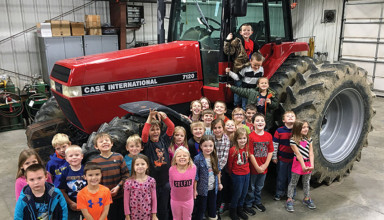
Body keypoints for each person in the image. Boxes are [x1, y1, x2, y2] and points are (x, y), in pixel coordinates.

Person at [142, 109, 175, 220]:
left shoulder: (164, 141)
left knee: (164, 207)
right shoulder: (147, 144)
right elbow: (145, 134)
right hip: (153, 183)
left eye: (157, 129)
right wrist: (150, 118)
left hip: (165, 182)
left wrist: (164, 116)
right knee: (153, 208)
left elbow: (171, 127)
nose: (155, 132)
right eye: (153, 130)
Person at [91, 132, 129, 220]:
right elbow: (94, 181)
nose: (104, 142)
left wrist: (118, 186)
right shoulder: (95, 162)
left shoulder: (119, 157)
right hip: (104, 199)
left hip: (120, 196)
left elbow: (126, 174)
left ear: (112, 143)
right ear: (96, 147)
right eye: (101, 141)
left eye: (107, 140)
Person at [224, 23, 260, 108]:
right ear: (240, 32)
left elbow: (256, 56)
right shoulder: (237, 41)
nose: (246, 32)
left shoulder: (253, 43)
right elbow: (229, 51)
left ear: (252, 32)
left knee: (246, 90)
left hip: (249, 71)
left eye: (248, 30)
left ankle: (245, 107)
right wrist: (227, 40)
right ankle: (236, 106)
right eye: (244, 30)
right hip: (239, 70)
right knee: (238, 88)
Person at [245, 113, 273, 214]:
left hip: (264, 167)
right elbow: (250, 153)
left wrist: (265, 165)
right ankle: (248, 204)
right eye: (257, 120)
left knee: (260, 186)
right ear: (253, 123)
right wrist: (257, 167)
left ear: (265, 123)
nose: (260, 122)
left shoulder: (268, 136)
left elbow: (270, 151)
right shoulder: (251, 137)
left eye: (262, 120)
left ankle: (257, 202)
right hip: (253, 168)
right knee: (251, 187)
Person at [286, 120, 316, 212]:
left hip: (307, 163)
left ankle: (307, 198)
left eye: (307, 127)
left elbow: (311, 153)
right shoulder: (293, 140)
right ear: (297, 128)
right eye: (303, 127)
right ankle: (289, 199)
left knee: (306, 182)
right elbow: (298, 155)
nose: (306, 129)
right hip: (298, 163)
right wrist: (303, 166)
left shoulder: (309, 139)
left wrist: (312, 164)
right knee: (293, 182)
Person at [193, 135, 222, 220]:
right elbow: (195, 176)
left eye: (210, 146)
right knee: (201, 207)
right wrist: (195, 190)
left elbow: (218, 171)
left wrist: (219, 183)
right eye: (205, 146)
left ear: (213, 146)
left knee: (213, 205)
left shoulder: (214, 157)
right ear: (201, 146)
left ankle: (212, 216)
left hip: (213, 187)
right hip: (202, 189)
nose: (208, 148)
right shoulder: (197, 159)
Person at [227, 128, 251, 220]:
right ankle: (233, 210)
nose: (242, 140)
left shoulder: (247, 147)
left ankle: (240, 209)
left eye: (244, 138)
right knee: (237, 193)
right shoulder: (233, 150)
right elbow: (230, 164)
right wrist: (231, 173)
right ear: (236, 139)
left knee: (244, 193)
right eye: (240, 138)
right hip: (237, 175)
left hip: (247, 173)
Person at [272, 111, 296, 201]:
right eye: (288, 116)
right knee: (281, 178)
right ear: (283, 120)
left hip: (294, 160)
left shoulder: (297, 130)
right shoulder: (279, 131)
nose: (290, 117)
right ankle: (279, 193)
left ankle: (291, 194)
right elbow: (275, 144)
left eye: (292, 116)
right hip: (282, 159)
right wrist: (274, 156)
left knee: (292, 178)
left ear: (295, 119)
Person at [124, 155, 158, 220]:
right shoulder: (128, 182)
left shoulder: (151, 181)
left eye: (142, 164)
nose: (140, 166)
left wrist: (154, 215)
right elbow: (126, 201)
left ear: (147, 165)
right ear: (133, 167)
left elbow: (154, 199)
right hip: (133, 215)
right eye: (137, 164)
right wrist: (127, 216)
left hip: (148, 214)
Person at [58, 145, 86, 220]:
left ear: (82, 156)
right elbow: (62, 190)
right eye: (71, 156)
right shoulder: (65, 172)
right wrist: (70, 203)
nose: (74, 157)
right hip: (72, 203)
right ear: (66, 159)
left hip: (87, 202)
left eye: (77, 155)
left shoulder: (86, 170)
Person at [169, 147, 196, 220]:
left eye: (184, 156)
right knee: (176, 218)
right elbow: (171, 184)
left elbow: (194, 181)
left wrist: (195, 191)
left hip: (188, 200)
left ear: (189, 158)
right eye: (179, 156)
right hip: (175, 200)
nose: (182, 158)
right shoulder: (171, 169)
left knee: (187, 218)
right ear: (175, 159)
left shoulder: (193, 168)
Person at [211, 119, 231, 215]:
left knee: (222, 187)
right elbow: (209, 154)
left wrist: (219, 170)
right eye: (215, 128)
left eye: (219, 127)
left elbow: (225, 156)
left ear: (223, 128)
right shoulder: (210, 138)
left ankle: (221, 204)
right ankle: (213, 206)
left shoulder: (226, 139)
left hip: (222, 168)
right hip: (212, 168)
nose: (217, 130)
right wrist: (214, 169)